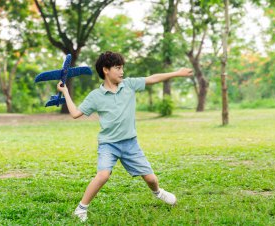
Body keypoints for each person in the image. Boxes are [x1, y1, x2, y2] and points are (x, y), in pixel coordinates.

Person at [57, 51, 193, 222]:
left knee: (150, 178)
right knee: (103, 175)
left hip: (130, 144)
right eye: (118, 68)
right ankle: (81, 209)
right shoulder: (95, 96)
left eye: (122, 68)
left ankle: (158, 193)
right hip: (108, 144)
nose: (122, 72)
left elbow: (152, 78)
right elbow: (75, 113)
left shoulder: (129, 85)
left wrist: (177, 73)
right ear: (106, 70)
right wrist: (66, 92)